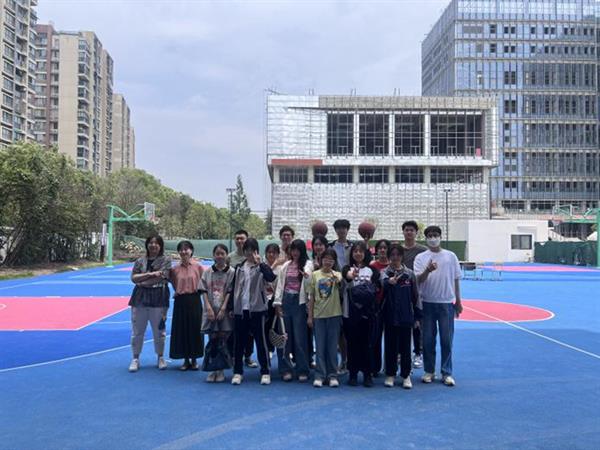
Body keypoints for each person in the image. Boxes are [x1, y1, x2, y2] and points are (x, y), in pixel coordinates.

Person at [414, 226, 462, 387]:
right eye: (429, 235)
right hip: (427, 303)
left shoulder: (450, 256)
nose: (433, 238)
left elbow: (456, 279)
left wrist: (458, 301)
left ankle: (446, 372)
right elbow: (418, 280)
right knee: (428, 340)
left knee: (446, 340)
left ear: (440, 237)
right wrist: (427, 270)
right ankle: (429, 371)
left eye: (435, 235)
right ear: (426, 238)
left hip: (446, 303)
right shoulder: (421, 257)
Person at [229, 238, 276, 385]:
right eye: (247, 250)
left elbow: (271, 277)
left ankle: (265, 371)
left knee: (261, 342)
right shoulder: (239, 268)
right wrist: (232, 307)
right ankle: (237, 372)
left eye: (252, 250)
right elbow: (233, 288)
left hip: (257, 310)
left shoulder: (261, 267)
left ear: (256, 251)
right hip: (241, 310)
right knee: (239, 343)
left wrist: (260, 264)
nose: (249, 253)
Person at [128, 235, 172, 372]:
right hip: (140, 297)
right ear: (147, 245)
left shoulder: (166, 260)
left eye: (156, 243)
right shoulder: (140, 261)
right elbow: (133, 278)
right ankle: (135, 358)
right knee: (137, 330)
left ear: (161, 246)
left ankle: (160, 357)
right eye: (151, 243)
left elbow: (162, 277)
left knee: (159, 330)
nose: (153, 245)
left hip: (159, 296)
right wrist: (150, 274)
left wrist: (142, 282)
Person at [381, 243, 421, 389]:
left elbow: (416, 296)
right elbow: (382, 284)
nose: (395, 257)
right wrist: (389, 282)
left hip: (406, 316)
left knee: (406, 347)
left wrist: (417, 316)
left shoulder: (410, 274)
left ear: (402, 256)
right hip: (390, 316)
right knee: (390, 346)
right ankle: (390, 374)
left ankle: (406, 375)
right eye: (392, 255)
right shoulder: (384, 273)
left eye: (398, 255)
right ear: (389, 257)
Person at [273, 239, 313, 382]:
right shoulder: (286, 265)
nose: (295, 252)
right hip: (285, 301)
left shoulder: (308, 264)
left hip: (299, 303)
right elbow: (280, 285)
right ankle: (285, 369)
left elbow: (310, 283)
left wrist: (307, 277)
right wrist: (277, 303)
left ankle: (302, 369)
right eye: (293, 249)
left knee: (300, 338)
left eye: (298, 250)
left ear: (302, 251)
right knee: (284, 338)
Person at [342, 241, 379, 387]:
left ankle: (367, 374)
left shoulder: (372, 270)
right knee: (352, 344)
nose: (358, 253)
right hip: (350, 313)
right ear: (351, 253)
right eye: (355, 251)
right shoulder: (347, 268)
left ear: (365, 253)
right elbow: (347, 277)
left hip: (367, 313)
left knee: (367, 344)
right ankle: (353, 373)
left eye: (361, 251)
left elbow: (375, 288)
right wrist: (352, 275)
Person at [307, 249, 343, 388]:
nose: (328, 261)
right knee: (320, 347)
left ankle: (332, 375)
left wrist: (334, 275)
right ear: (321, 260)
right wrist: (310, 316)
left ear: (334, 261)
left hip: (334, 315)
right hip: (319, 316)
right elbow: (311, 298)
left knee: (332, 347)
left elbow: (339, 280)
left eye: (331, 259)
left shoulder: (337, 274)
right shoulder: (315, 275)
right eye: (326, 258)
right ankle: (320, 375)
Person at [200, 244, 235, 382]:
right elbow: (203, 290)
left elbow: (230, 291)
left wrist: (223, 309)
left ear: (226, 255)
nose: (220, 256)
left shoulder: (231, 272)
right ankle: (212, 369)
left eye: (222, 253)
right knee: (212, 339)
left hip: (224, 311)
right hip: (211, 311)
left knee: (222, 339)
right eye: (217, 253)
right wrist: (208, 307)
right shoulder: (207, 272)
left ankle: (220, 369)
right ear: (213, 255)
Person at [169, 240, 204, 371]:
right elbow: (174, 283)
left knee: (195, 330)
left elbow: (203, 283)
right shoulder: (174, 269)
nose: (184, 251)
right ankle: (185, 360)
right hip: (180, 301)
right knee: (182, 330)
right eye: (181, 249)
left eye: (186, 249)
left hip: (194, 300)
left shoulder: (198, 267)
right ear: (178, 252)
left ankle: (194, 359)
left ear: (191, 251)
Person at [226, 229, 257, 369]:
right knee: (234, 330)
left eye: (242, 238)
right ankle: (233, 356)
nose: (239, 241)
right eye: (237, 238)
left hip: (252, 301)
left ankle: (248, 356)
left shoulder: (254, 257)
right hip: (236, 298)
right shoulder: (230, 258)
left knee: (250, 332)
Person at [401, 220, 428, 369]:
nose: (409, 232)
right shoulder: (398, 249)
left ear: (416, 232)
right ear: (403, 232)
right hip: (401, 291)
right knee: (401, 324)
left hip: (418, 292)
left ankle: (418, 352)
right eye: (407, 230)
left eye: (412, 230)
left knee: (417, 324)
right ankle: (400, 353)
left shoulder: (423, 250)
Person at [329, 219, 352, 375]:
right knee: (338, 330)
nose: (341, 230)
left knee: (349, 329)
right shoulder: (330, 247)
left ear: (347, 229)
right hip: (334, 290)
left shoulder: (353, 246)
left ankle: (350, 360)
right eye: (339, 228)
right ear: (335, 230)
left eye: (344, 227)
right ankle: (342, 361)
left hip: (350, 290)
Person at [369, 239, 390, 377]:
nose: (382, 250)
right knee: (375, 337)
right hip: (375, 306)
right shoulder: (372, 266)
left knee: (390, 338)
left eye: (385, 247)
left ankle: (389, 367)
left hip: (390, 306)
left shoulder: (394, 266)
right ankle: (374, 367)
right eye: (380, 248)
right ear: (376, 250)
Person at [263, 243, 281, 357]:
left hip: (276, 300)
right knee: (266, 325)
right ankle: (269, 348)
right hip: (263, 300)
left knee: (278, 325)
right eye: (269, 252)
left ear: (278, 254)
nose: (271, 254)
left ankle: (282, 347)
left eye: (274, 252)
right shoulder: (262, 267)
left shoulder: (281, 269)